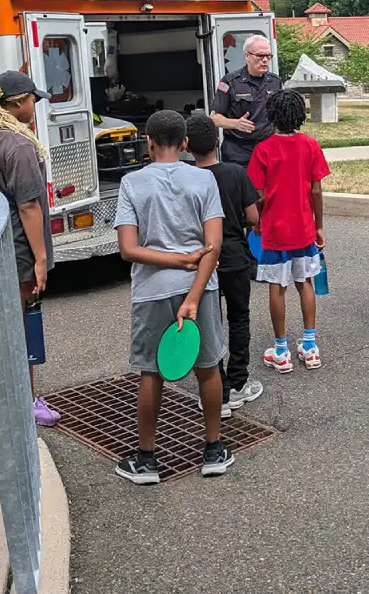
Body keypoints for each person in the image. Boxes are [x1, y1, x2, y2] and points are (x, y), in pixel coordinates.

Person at [113, 111, 232, 484]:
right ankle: (213, 450)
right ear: (185, 144)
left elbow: (128, 249)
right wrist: (193, 292)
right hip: (201, 287)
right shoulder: (203, 180)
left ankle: (146, 460)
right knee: (208, 367)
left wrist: (171, 260)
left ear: (148, 141)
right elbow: (212, 247)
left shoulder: (132, 183)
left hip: (151, 291)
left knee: (152, 371)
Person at [0, 71, 59, 427]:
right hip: (20, 249)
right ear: (17, 102)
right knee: (25, 328)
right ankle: (26, 403)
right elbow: (28, 206)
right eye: (32, 100)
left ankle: (10, 395)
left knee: (6, 325)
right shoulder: (20, 145)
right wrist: (41, 259)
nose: (35, 105)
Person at [186, 115, 264, 416]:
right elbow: (253, 217)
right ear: (217, 142)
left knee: (209, 321)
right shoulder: (235, 173)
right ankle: (238, 383)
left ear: (186, 146)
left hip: (201, 258)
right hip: (234, 255)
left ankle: (215, 387)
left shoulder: (187, 177)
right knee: (239, 317)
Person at [248, 89, 331, 372]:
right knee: (305, 282)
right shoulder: (310, 145)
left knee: (277, 287)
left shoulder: (263, 150)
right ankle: (310, 346)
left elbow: (258, 194)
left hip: (275, 230)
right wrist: (318, 225)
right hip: (304, 228)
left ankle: (280, 350)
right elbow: (316, 190)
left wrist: (257, 222)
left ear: (271, 115)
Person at [209, 34, 283, 166]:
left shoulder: (275, 82)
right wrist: (235, 124)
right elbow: (214, 118)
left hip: (268, 147)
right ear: (247, 56)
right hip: (238, 151)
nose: (265, 60)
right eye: (260, 56)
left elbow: (281, 116)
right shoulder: (229, 82)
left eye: (268, 56)